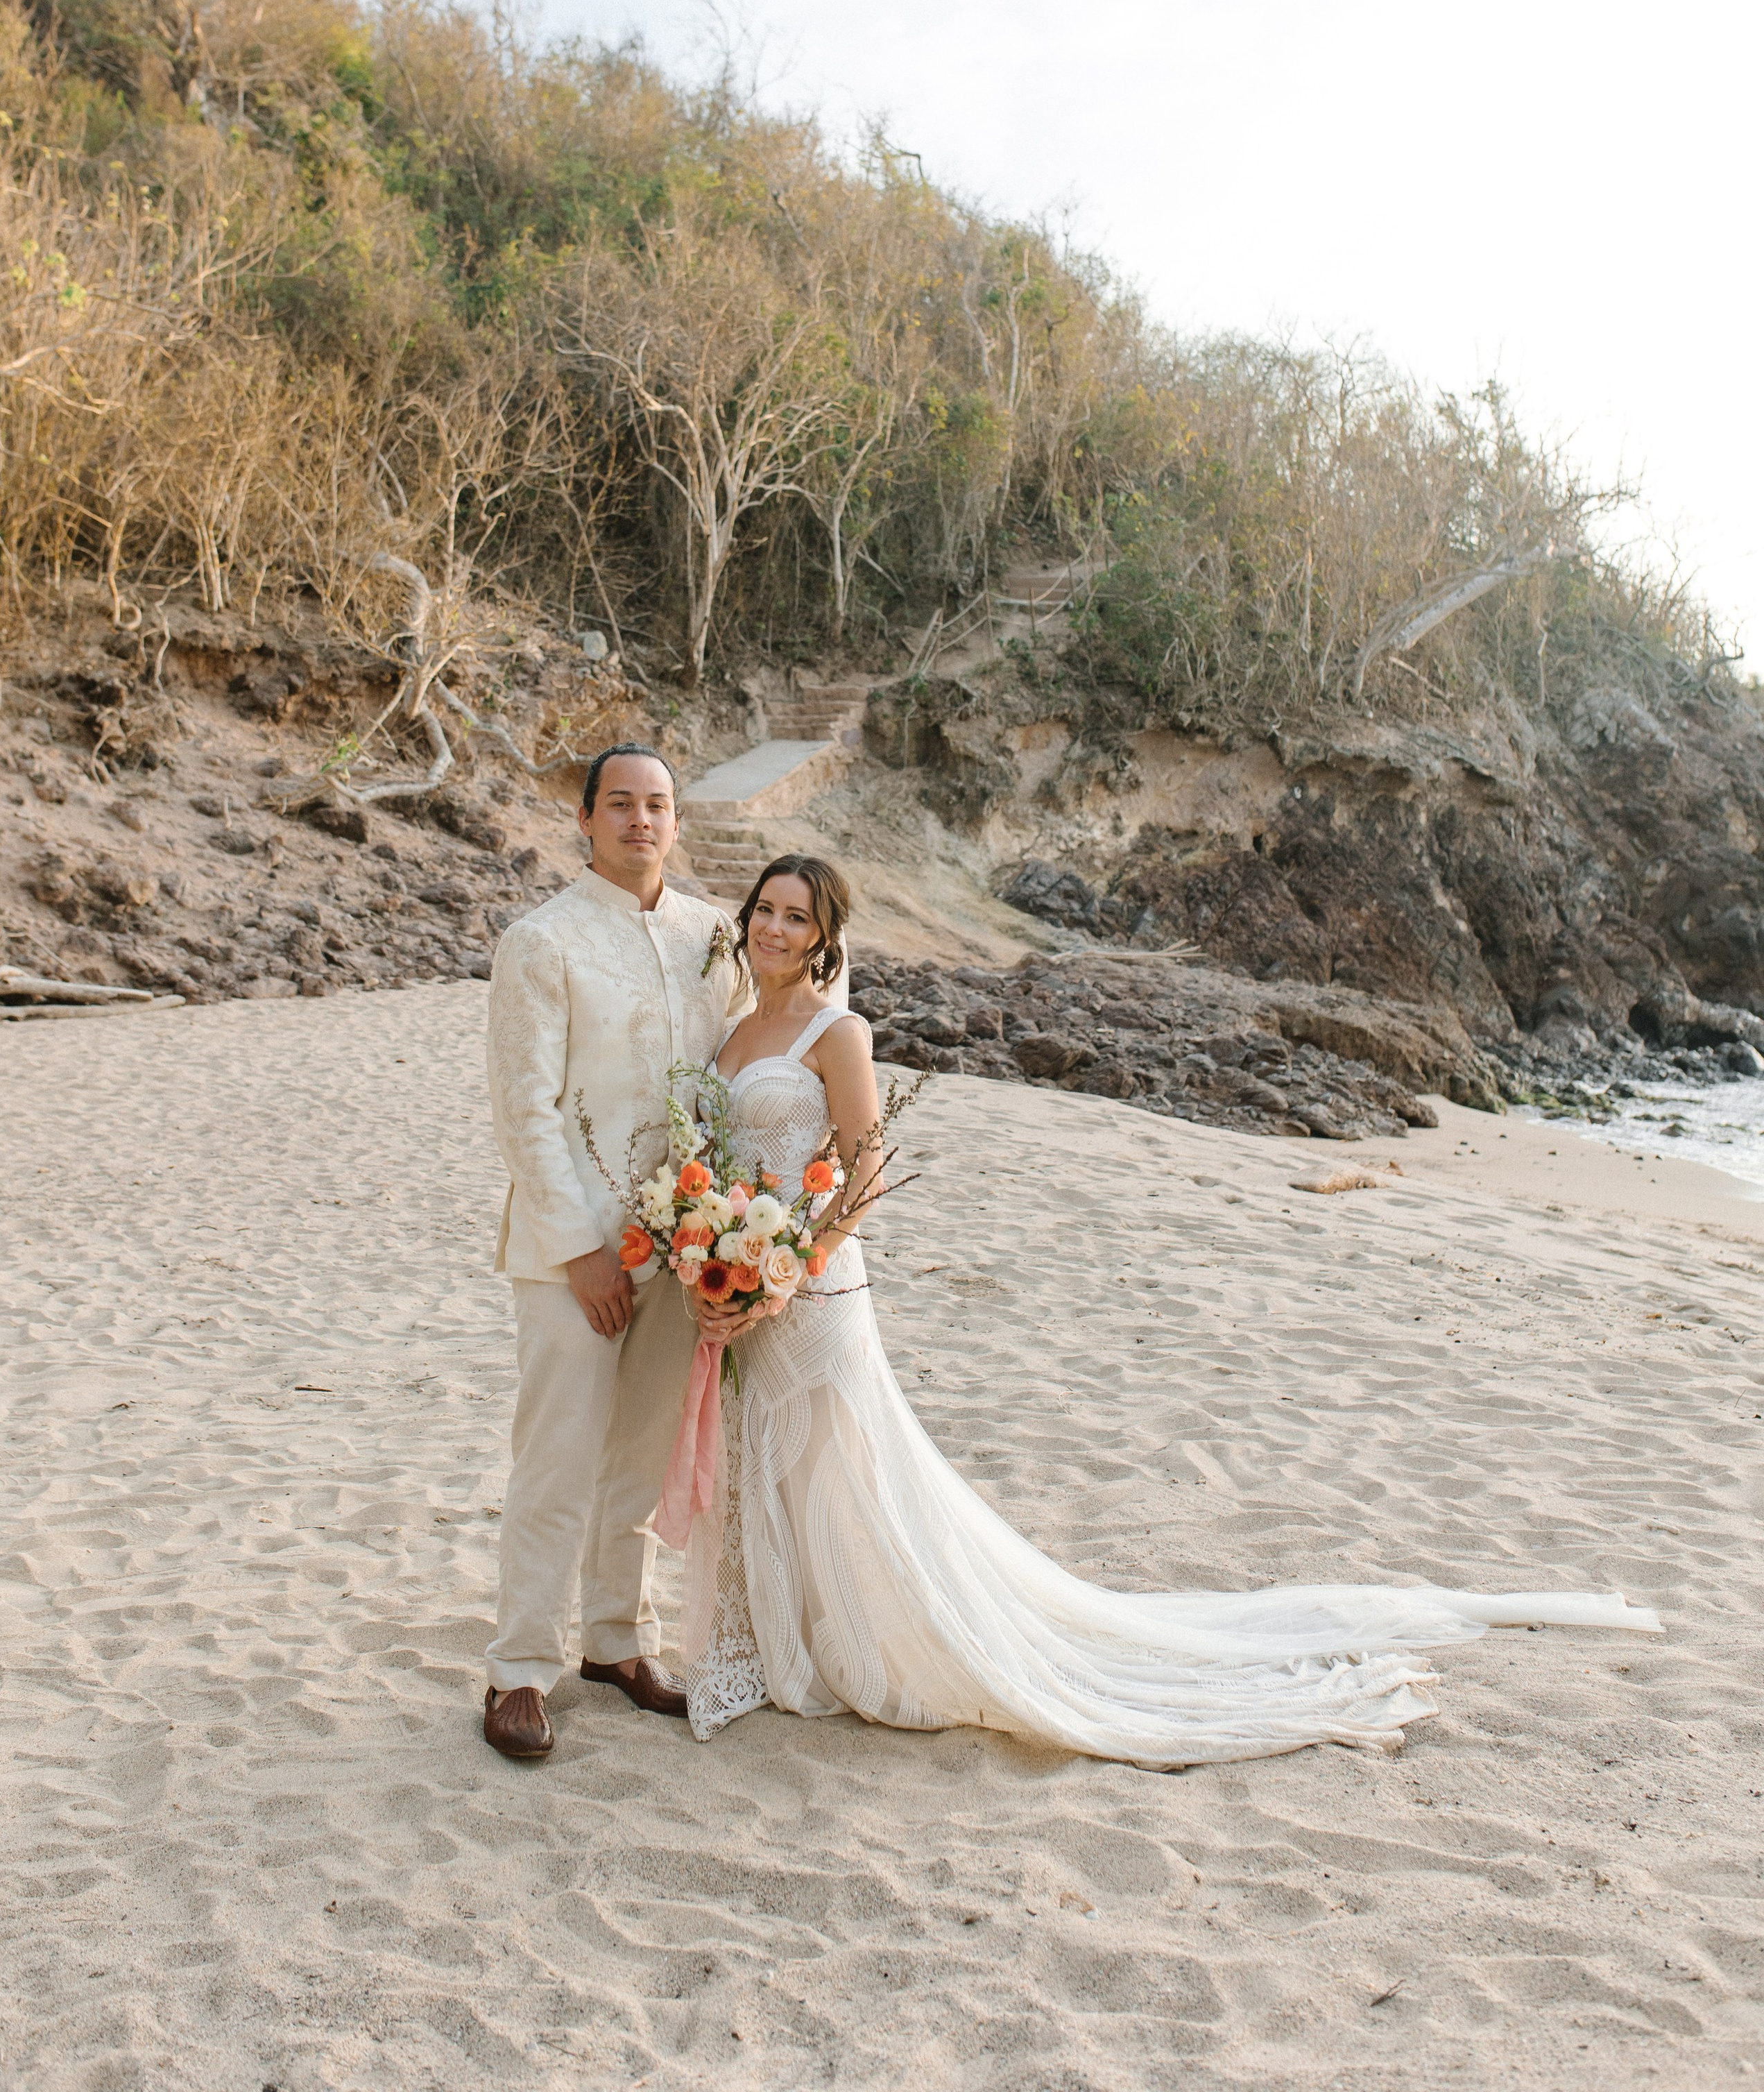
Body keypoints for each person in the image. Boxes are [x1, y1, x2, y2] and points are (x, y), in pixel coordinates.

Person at [678, 851, 1661, 1767]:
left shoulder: (837, 1032)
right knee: (769, 1457)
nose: (773, 927)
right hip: (746, 1282)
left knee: (844, 1465)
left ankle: (874, 1641)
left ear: (823, 936)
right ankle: (784, 1645)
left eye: (794, 916)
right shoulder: (731, 1034)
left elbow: (865, 1170)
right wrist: (722, 1263)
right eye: (764, 910)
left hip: (814, 1289)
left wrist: (788, 1269)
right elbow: (723, 1165)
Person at [480, 741, 746, 1760]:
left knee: (636, 1459)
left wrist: (718, 1239)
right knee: (556, 1458)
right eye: (622, 804)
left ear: (678, 823)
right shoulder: (540, 943)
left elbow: (727, 1085)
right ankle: (518, 1669)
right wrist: (580, 1249)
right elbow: (524, 1109)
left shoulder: (709, 936)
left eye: (659, 806)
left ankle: (616, 1643)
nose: (642, 821)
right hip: (571, 1251)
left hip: (682, 1247)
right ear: (586, 820)